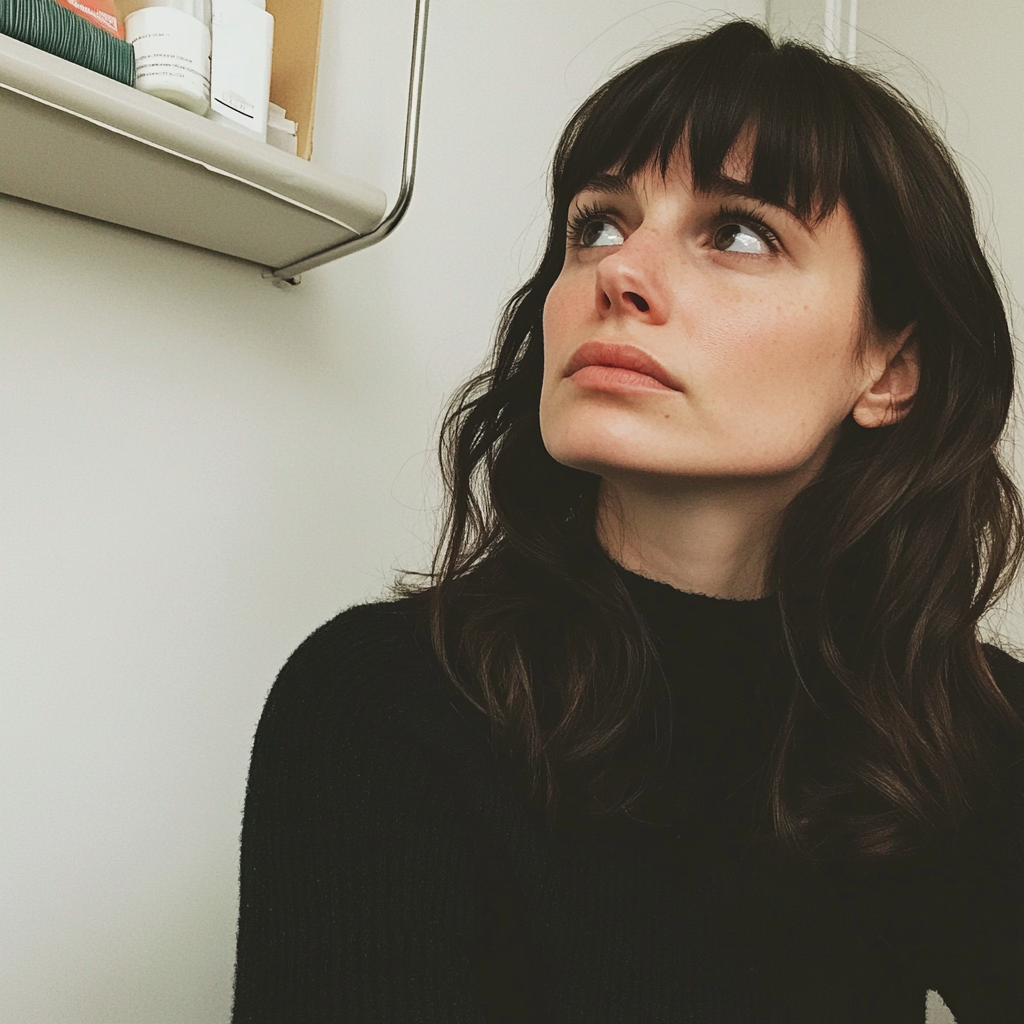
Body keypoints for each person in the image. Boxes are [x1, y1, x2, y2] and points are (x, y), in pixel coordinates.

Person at [231, 18, 1024, 1024]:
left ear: (889, 369)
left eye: (738, 231)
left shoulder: (970, 734)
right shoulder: (380, 704)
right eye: (595, 223)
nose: (620, 271)